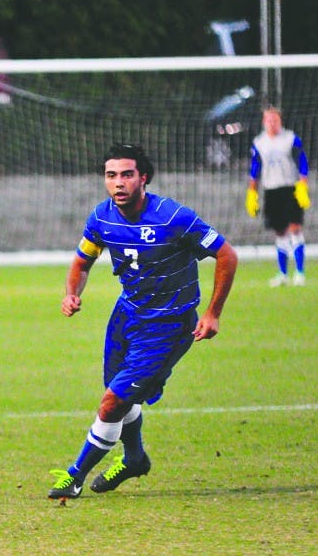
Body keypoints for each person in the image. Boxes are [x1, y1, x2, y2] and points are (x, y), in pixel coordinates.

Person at [48, 143, 237, 500]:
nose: (118, 183)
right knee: (118, 397)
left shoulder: (173, 217)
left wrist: (213, 313)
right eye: (111, 175)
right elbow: (82, 262)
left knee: (111, 402)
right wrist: (72, 292)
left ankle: (74, 477)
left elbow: (226, 254)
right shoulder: (102, 217)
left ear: (143, 178)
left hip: (168, 326)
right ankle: (134, 457)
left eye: (126, 174)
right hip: (127, 314)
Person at [246, 106, 310, 287]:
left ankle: (299, 272)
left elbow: (302, 161)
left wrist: (303, 182)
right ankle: (282, 274)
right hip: (271, 190)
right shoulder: (259, 142)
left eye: (275, 120)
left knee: (295, 229)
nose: (272, 123)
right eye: (268, 120)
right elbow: (255, 167)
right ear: (264, 122)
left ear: (280, 121)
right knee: (280, 232)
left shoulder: (291, 139)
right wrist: (252, 191)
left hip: (290, 188)